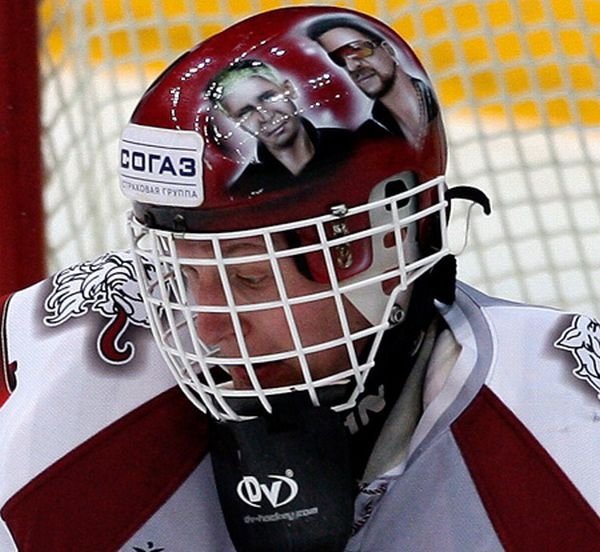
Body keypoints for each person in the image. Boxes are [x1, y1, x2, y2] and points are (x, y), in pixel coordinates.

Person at [1, 6, 599, 552]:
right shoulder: (73, 366)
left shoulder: (567, 428)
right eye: (182, 274)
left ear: (382, 242)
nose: (206, 329)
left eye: (249, 280)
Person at [206, 59, 360, 198]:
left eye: (268, 97)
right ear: (235, 121)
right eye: (246, 112)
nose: (265, 116)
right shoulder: (245, 191)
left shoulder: (356, 147)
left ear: (289, 89)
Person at [307, 15, 441, 150]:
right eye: (339, 60)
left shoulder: (442, 104)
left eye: (358, 50)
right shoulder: (368, 139)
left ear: (388, 50)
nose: (352, 67)